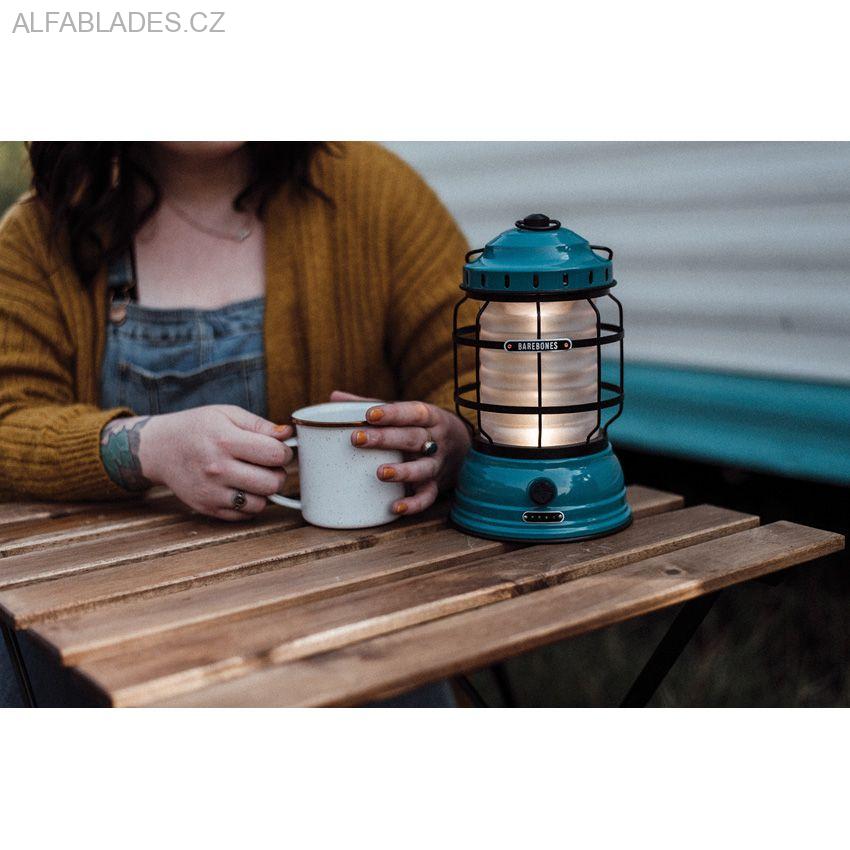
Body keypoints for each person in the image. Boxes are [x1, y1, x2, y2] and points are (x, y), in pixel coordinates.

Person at [0, 142, 473, 707]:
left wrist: (452, 440)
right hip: (104, 628)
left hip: (356, 616)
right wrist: (147, 446)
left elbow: (482, 378)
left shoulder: (376, 193)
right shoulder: (42, 233)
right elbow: (9, 418)